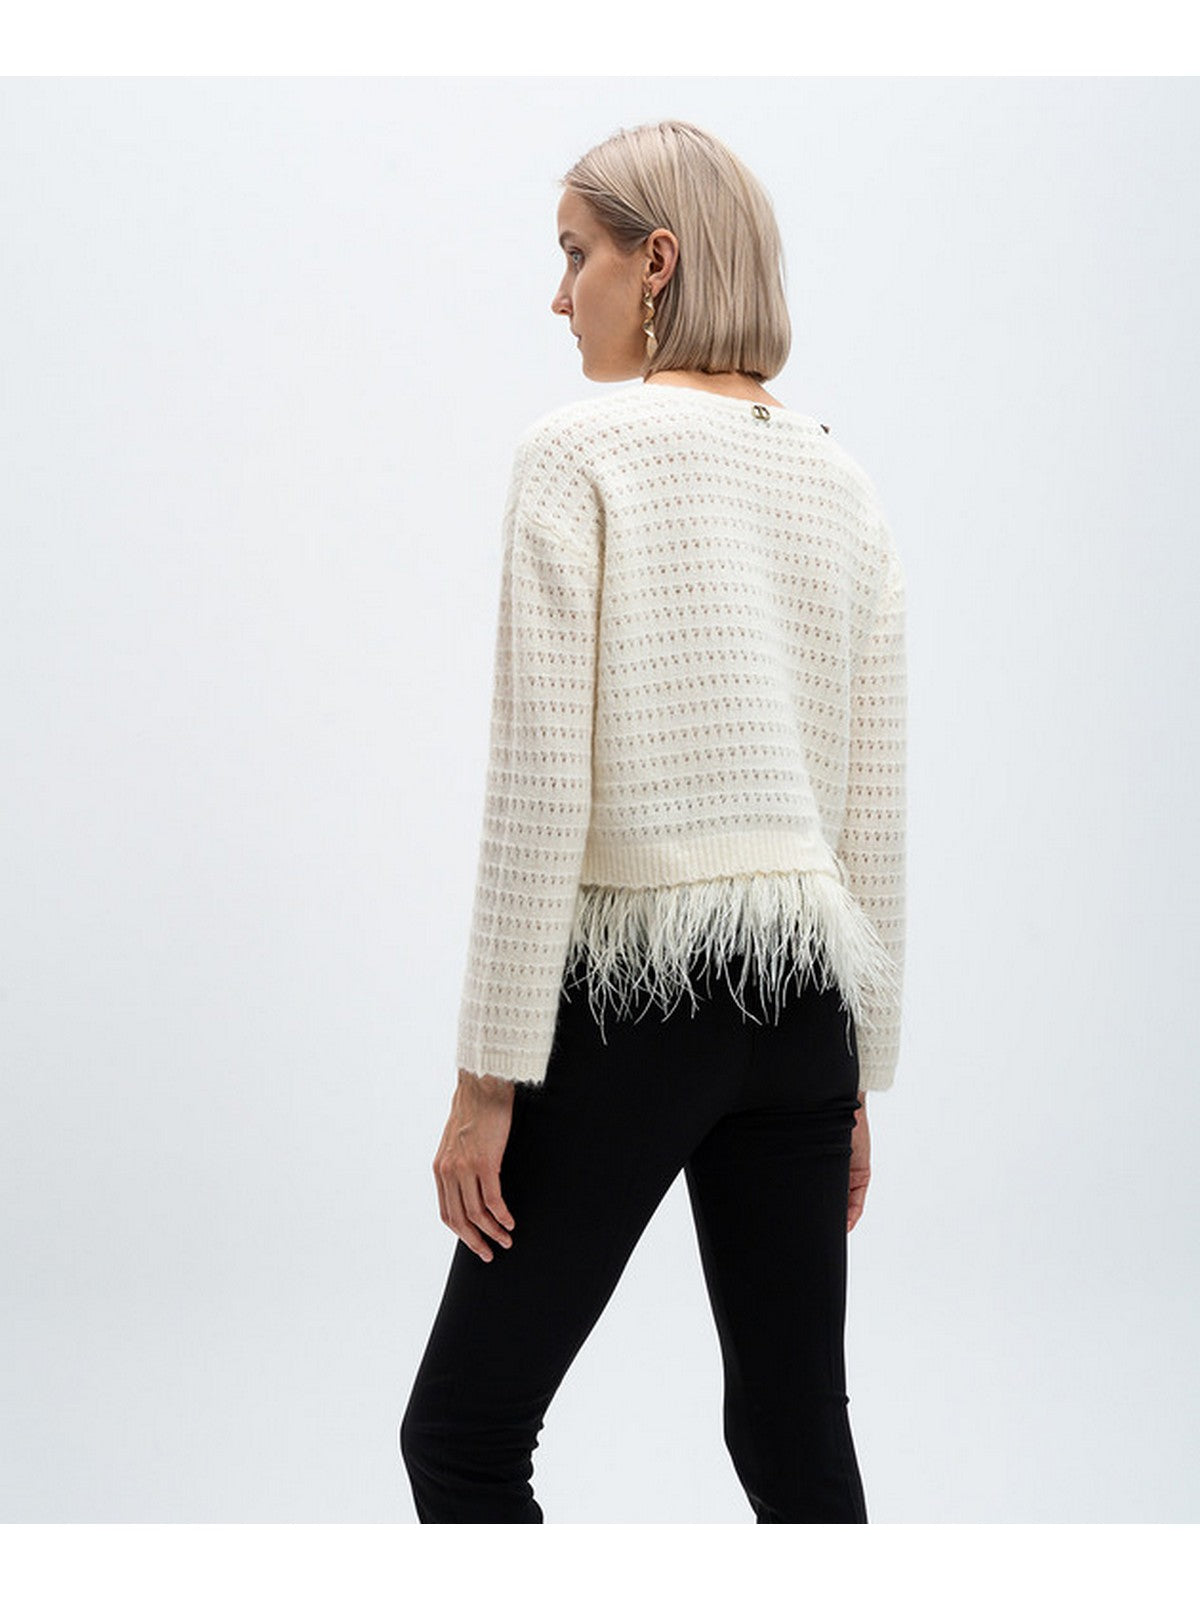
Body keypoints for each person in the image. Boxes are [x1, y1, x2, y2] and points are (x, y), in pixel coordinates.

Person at [399, 118, 906, 1523]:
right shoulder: (842, 481)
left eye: (577, 256)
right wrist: (853, 1077)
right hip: (803, 1014)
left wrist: (487, 1081)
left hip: (640, 1009)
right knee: (793, 1437)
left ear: (658, 262)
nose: (560, 296)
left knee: (463, 1438)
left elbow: (538, 794)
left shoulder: (581, 451)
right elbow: (869, 808)